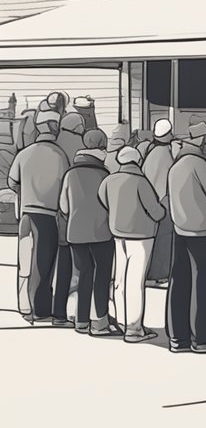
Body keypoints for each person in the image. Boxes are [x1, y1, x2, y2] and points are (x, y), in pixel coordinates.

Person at [165, 122, 206, 353]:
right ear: (203, 140)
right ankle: (201, 337)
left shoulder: (176, 166)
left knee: (179, 281)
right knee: (202, 283)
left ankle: (177, 336)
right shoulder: (199, 164)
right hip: (201, 230)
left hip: (180, 229)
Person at [8, 111, 69, 325]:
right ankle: (41, 310)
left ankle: (24, 305)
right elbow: (65, 189)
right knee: (43, 265)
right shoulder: (60, 155)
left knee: (25, 261)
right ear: (55, 129)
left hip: (26, 215)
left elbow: (12, 182)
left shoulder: (24, 154)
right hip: (48, 216)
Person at [98, 146, 164, 343]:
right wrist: (161, 212)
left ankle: (121, 320)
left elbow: (102, 199)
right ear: (138, 161)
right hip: (141, 236)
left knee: (119, 280)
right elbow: (155, 211)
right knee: (135, 281)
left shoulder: (109, 181)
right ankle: (134, 329)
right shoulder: (141, 182)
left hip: (118, 235)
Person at [60, 134, 116, 336]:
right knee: (101, 277)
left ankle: (81, 320)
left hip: (75, 232)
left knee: (83, 274)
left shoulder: (70, 174)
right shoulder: (105, 174)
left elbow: (63, 206)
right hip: (101, 232)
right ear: (102, 148)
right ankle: (99, 322)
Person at [143, 119, 175, 288]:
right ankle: (160, 273)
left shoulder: (151, 153)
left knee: (154, 239)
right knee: (164, 240)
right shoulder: (166, 155)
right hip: (164, 202)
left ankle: (152, 272)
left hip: (150, 202)